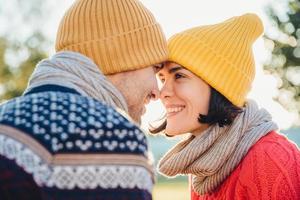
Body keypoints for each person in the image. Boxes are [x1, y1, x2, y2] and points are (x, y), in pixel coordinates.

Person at [0, 0, 167, 199]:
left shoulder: (5, 116)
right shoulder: (109, 135)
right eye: (155, 68)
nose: (157, 91)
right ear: (126, 57)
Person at [151, 13, 300, 199]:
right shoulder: (206, 163)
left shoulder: (270, 160)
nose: (162, 92)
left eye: (179, 76)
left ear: (220, 87)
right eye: (162, 78)